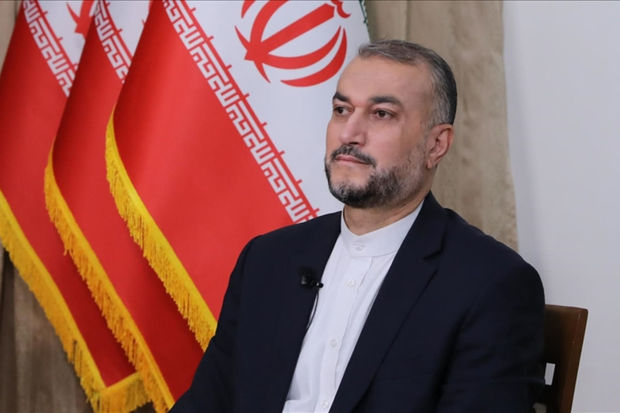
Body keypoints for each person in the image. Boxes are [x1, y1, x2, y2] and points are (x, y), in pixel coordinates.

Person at [170, 39, 545, 413]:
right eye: (341, 109)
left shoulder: (490, 283)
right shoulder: (268, 259)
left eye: (381, 114)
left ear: (436, 144)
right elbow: (208, 402)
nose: (349, 133)